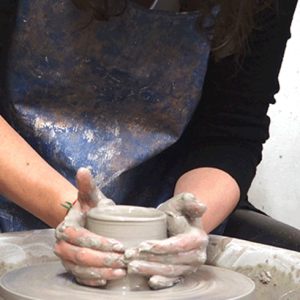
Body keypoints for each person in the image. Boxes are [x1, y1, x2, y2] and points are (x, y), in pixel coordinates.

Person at [0, 0, 298, 289]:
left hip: (168, 193)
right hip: (20, 190)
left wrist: (188, 225)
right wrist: (68, 209)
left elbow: (231, 129)